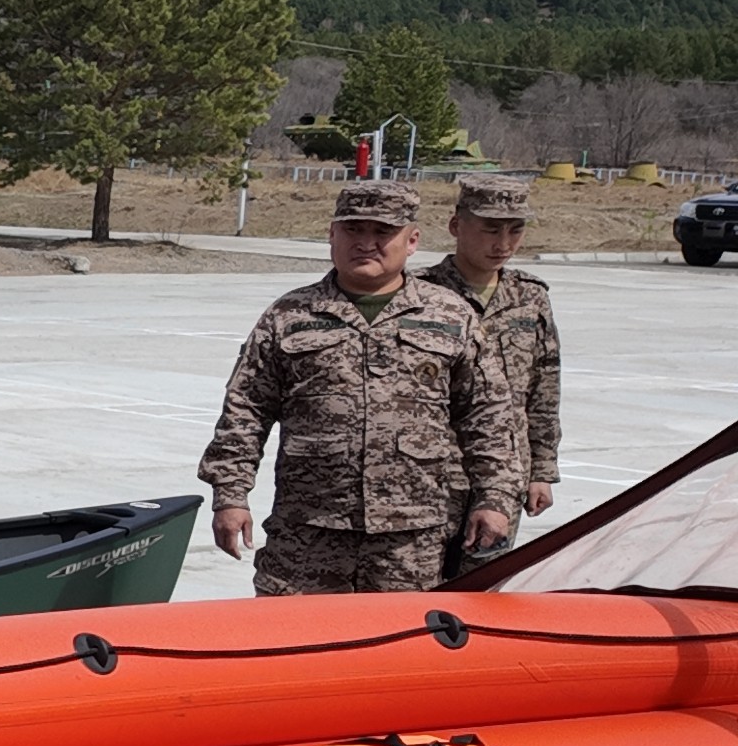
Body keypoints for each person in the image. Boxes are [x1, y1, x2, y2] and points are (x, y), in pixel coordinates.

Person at [199, 178, 523, 597]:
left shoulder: (450, 317)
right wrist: (230, 496)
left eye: (383, 232)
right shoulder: (289, 315)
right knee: (298, 649)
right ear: (332, 235)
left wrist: (494, 498)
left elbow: (489, 417)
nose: (366, 243)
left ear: (412, 241)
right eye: (353, 229)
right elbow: (245, 411)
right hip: (308, 534)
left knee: (400, 652)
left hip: (410, 538)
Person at [418, 172, 560, 570]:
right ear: (455, 226)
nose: (503, 244)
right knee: (416, 589)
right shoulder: (420, 293)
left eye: (515, 231)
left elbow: (544, 385)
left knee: (480, 587)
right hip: (430, 472)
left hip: (502, 476)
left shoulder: (530, 297)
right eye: (490, 230)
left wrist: (542, 470)